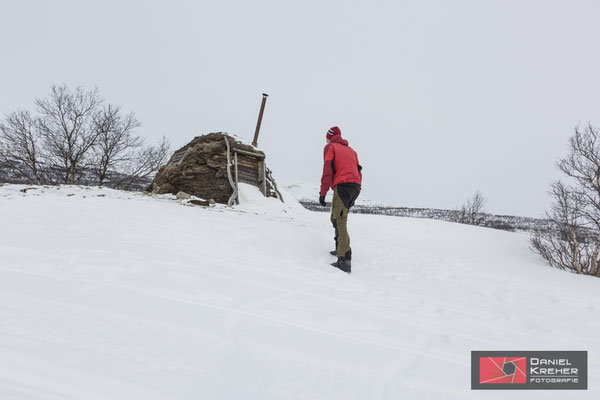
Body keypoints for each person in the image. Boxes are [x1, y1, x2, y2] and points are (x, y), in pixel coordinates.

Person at [319, 126, 362, 273]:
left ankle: (344, 259)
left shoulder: (330, 147)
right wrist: (355, 188)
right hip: (355, 186)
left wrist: (323, 192)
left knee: (340, 219)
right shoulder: (352, 151)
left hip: (342, 185)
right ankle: (339, 248)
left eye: (326, 137)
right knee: (335, 218)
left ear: (329, 137)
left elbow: (327, 169)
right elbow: (359, 170)